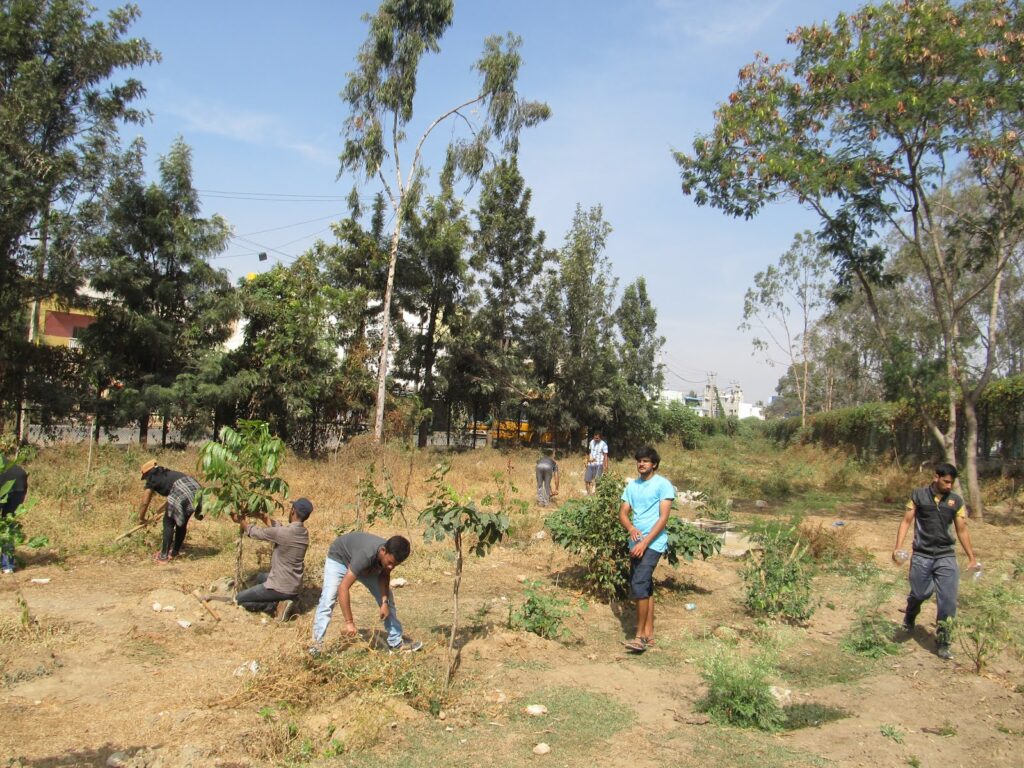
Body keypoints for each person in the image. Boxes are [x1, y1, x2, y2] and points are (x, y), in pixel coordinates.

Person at [892, 462, 978, 660]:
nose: (949, 486)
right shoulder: (918, 495)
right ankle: (910, 615)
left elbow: (962, 530)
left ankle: (944, 642)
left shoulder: (955, 502)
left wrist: (972, 557)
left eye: (952, 483)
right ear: (936, 477)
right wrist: (898, 547)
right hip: (921, 554)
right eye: (946, 482)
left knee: (948, 600)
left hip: (945, 556)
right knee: (920, 592)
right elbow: (906, 522)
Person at [310, 531, 422, 655]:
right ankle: (315, 646)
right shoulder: (366, 555)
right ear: (383, 551)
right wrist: (349, 623)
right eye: (390, 563)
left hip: (366, 566)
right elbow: (343, 588)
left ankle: (395, 643)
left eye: (395, 565)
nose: (391, 567)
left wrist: (384, 602)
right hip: (340, 558)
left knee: (388, 599)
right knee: (328, 599)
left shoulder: (387, 558)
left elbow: (384, 576)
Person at [618, 446, 674, 653]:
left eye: (646, 461)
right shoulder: (632, 486)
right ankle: (649, 634)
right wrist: (631, 528)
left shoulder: (663, 485)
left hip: (654, 543)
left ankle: (639, 636)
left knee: (639, 583)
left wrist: (645, 542)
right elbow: (623, 513)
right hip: (636, 544)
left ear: (654, 464)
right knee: (645, 586)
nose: (641, 464)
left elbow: (663, 518)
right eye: (639, 461)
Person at [231, 498, 312, 621]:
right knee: (260, 577)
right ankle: (288, 599)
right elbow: (278, 529)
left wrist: (240, 520)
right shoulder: (303, 532)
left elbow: (253, 532)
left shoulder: (283, 533)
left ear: (293, 511)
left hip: (279, 586)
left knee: (239, 599)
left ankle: (275, 606)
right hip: (294, 585)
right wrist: (263, 517)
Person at [138, 459, 203, 563]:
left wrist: (141, 518)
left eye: (145, 477)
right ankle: (175, 552)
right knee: (181, 522)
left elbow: (145, 502)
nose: (146, 479)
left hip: (182, 491)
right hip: (196, 488)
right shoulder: (167, 474)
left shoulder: (152, 478)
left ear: (147, 474)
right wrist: (158, 512)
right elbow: (172, 495)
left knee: (168, 522)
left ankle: (163, 556)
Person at [0, 458, 29, 574]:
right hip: (19, 484)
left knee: (7, 524)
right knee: (9, 523)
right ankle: (8, 566)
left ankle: (6, 564)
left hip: (9, 485)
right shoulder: (4, 459)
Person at [584, 430, 609, 495]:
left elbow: (605, 456)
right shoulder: (591, 442)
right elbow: (589, 453)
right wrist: (587, 461)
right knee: (587, 480)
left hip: (599, 464)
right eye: (595, 438)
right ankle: (589, 495)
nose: (596, 439)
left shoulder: (604, 444)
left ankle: (596, 496)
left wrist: (606, 467)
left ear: (600, 437)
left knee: (597, 481)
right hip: (590, 464)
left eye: (597, 438)